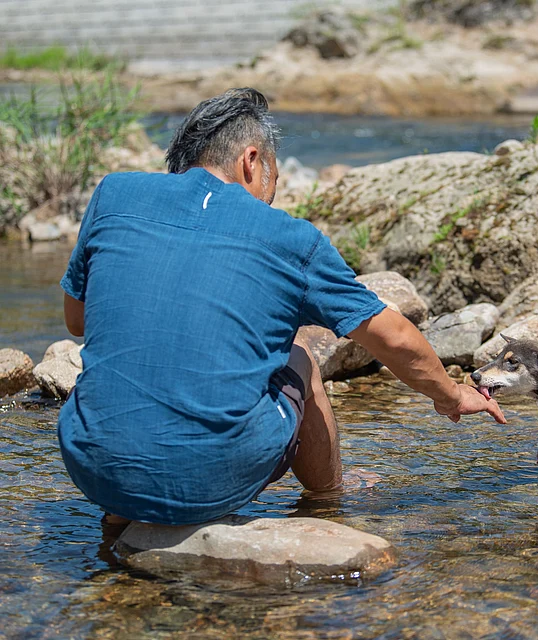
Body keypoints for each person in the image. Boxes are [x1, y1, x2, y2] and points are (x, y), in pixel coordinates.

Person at [58, 87, 505, 527]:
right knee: (298, 358)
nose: (273, 193)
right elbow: (393, 336)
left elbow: (77, 321)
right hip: (211, 479)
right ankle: (329, 499)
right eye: (273, 177)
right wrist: (451, 395)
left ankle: (122, 516)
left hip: (90, 465)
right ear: (251, 161)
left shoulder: (113, 194)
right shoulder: (290, 238)